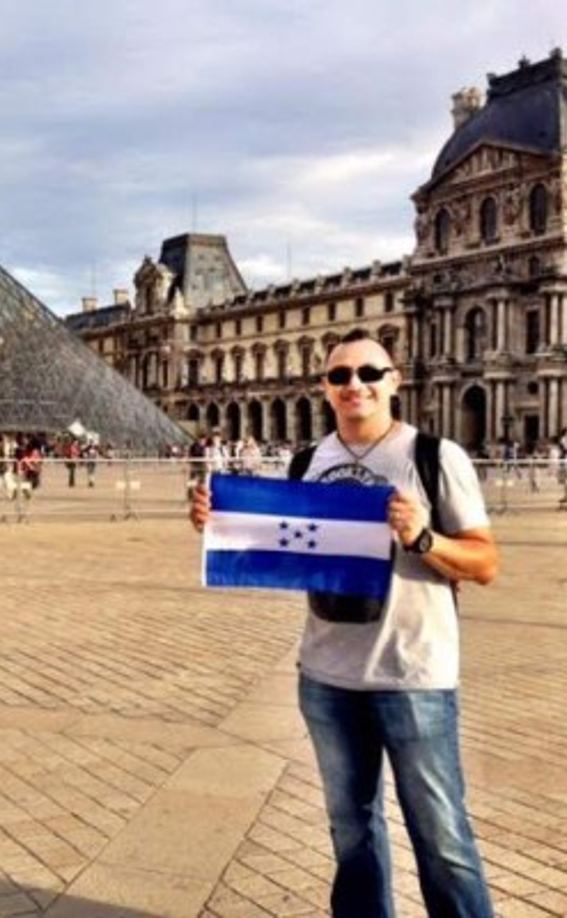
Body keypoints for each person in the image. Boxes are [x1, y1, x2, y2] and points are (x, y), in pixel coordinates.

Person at [190, 329, 498, 918]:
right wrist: (219, 520)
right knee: (350, 832)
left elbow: (485, 563)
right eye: (339, 376)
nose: (354, 384)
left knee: (443, 840)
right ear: (325, 388)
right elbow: (280, 543)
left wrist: (422, 537)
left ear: (393, 381)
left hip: (413, 676)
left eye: (368, 373)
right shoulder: (307, 461)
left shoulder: (434, 458)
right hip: (327, 677)